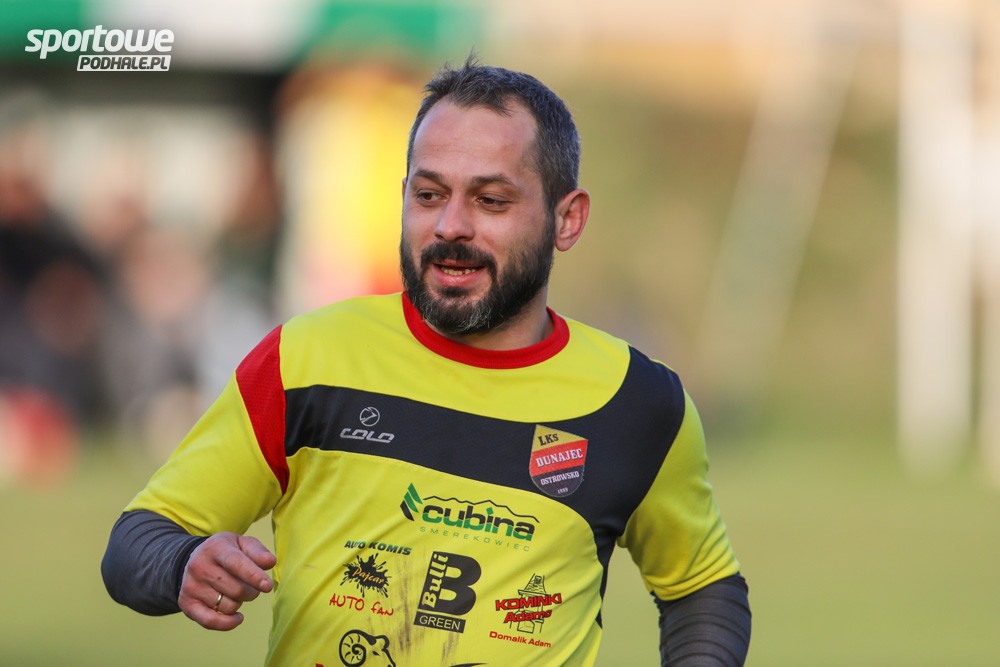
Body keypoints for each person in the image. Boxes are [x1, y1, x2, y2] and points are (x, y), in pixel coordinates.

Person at [102, 57, 751, 667]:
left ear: (567, 220)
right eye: (430, 195)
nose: (450, 226)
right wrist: (184, 564)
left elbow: (702, 589)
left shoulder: (634, 402)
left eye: (491, 200)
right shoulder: (306, 357)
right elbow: (138, 541)